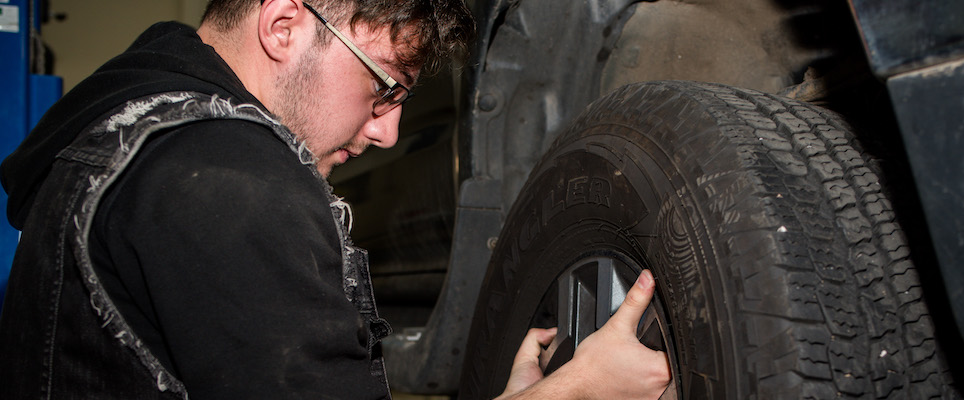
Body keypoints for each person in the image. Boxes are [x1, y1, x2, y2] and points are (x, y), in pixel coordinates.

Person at [0, 0, 670, 398]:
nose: (388, 130)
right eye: (385, 87)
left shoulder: (139, 140)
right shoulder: (229, 183)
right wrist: (577, 389)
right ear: (285, 25)